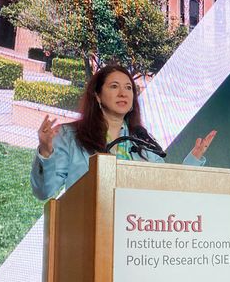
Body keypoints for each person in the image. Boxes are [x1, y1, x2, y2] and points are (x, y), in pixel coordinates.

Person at [31, 64, 216, 201]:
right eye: (114, 86)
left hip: (134, 239)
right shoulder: (69, 135)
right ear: (97, 95)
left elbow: (166, 187)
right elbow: (43, 192)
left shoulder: (142, 141)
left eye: (128, 88)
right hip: (86, 233)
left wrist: (193, 160)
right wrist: (46, 152)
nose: (123, 93)